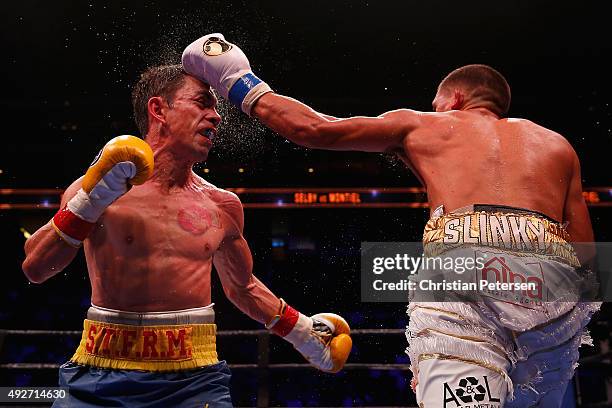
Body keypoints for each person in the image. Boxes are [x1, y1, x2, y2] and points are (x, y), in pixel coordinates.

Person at [182, 34, 600, 407]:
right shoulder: (556, 145)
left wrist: (237, 78)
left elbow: (313, 128)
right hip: (554, 281)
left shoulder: (427, 123)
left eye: (437, 103)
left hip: (466, 261)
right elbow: (586, 258)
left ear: (453, 99)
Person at [21, 64, 352, 408]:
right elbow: (36, 268)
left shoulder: (222, 205)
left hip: (195, 381)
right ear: (159, 109)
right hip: (99, 374)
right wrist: (89, 202)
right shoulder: (100, 185)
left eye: (214, 108)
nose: (216, 117)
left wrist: (304, 334)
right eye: (201, 104)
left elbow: (242, 287)